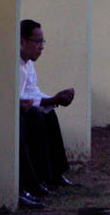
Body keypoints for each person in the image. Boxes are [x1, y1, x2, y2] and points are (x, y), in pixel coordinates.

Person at [19, 19, 74, 200]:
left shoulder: (28, 63)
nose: (41, 47)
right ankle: (36, 179)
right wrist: (51, 99)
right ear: (22, 41)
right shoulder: (15, 65)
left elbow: (32, 92)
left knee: (49, 112)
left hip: (27, 108)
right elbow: (19, 99)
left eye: (43, 42)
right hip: (18, 113)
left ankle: (56, 173)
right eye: (37, 41)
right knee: (36, 116)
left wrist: (53, 100)